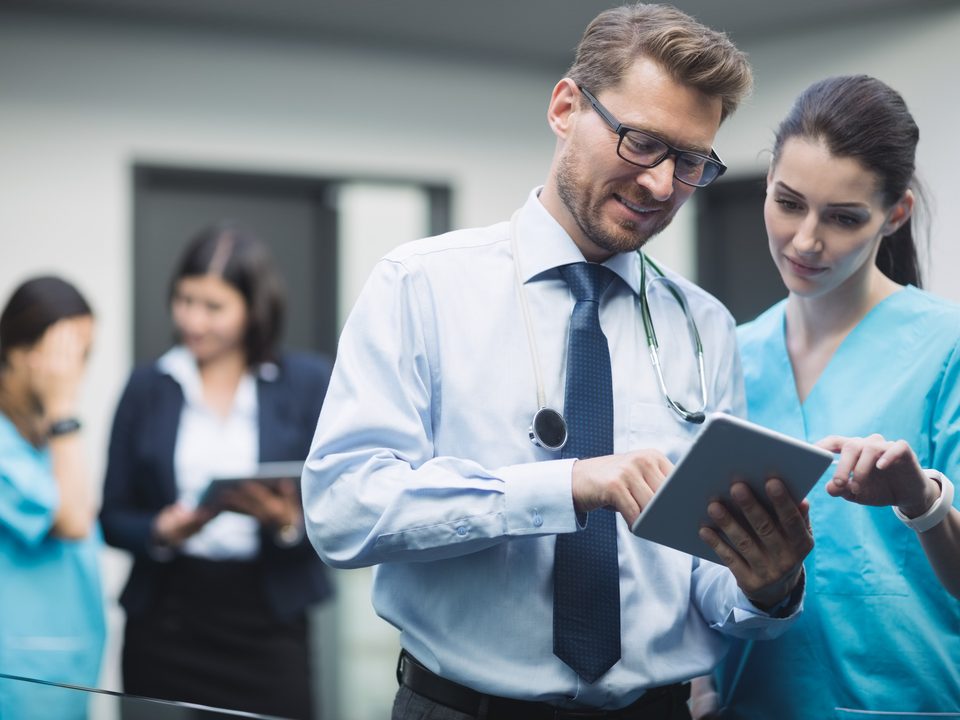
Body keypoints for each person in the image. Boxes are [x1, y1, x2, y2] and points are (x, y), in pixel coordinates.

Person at [302, 5, 815, 719]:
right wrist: (563, 486)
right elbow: (343, 511)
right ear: (566, 107)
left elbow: (704, 588)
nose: (663, 186)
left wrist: (765, 585)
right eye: (641, 143)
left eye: (690, 161)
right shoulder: (422, 284)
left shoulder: (703, 327)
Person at [702, 75, 960, 718]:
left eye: (844, 218)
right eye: (789, 203)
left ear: (894, 214)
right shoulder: (730, 352)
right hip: (749, 701)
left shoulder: (945, 347)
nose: (806, 241)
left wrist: (921, 502)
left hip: (901, 700)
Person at [100, 223, 333, 720]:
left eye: (213, 307)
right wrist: (160, 530)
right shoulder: (148, 386)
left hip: (268, 621)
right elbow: (113, 515)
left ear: (254, 310)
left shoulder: (307, 384)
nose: (192, 320)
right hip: (166, 619)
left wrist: (286, 522)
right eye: (184, 300)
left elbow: (341, 511)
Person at [0, 276, 105, 719]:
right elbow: (72, 521)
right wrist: (64, 411)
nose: (76, 370)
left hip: (68, 665)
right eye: (67, 352)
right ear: (19, 353)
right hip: (21, 673)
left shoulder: (41, 443)